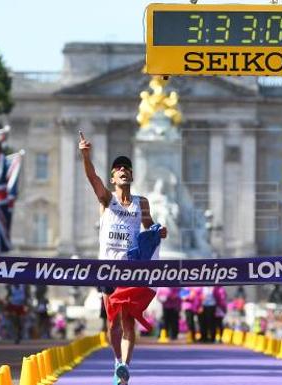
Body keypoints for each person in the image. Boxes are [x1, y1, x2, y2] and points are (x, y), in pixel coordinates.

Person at [79, 131, 167, 385]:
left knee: (128, 319)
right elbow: (91, 177)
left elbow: (150, 229)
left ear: (132, 175)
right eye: (118, 169)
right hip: (108, 267)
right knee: (113, 319)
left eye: (127, 168)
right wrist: (86, 156)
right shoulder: (107, 199)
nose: (123, 171)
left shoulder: (142, 203)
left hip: (132, 266)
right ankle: (117, 360)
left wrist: (159, 231)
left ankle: (125, 368)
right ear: (113, 177)